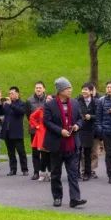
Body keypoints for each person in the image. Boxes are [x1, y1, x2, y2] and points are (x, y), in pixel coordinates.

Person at [43, 77, 87, 209]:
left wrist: (77, 126)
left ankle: (74, 198)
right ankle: (57, 197)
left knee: (73, 173)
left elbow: (80, 118)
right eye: (68, 88)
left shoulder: (74, 103)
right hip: (57, 144)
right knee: (56, 173)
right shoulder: (50, 105)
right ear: (60, 90)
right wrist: (60, 131)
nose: (70, 90)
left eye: (70, 88)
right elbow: (47, 122)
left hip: (72, 144)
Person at [1, 86, 29, 176]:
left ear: (17, 94)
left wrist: (11, 105)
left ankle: (24, 169)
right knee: (10, 152)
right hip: (7, 131)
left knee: (21, 151)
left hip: (17, 132)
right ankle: (13, 169)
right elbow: (1, 112)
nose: (10, 95)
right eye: (9, 93)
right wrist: (0, 104)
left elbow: (20, 112)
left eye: (12, 93)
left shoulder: (22, 103)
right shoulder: (7, 104)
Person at [76, 82, 99, 180]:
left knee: (88, 152)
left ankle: (87, 173)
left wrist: (91, 116)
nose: (83, 91)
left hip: (90, 130)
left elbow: (100, 116)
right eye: (83, 89)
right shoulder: (77, 101)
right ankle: (76, 173)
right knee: (77, 152)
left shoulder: (96, 102)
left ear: (91, 91)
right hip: (79, 130)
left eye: (86, 89)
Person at [26, 82, 47, 180]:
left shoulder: (48, 100)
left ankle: (45, 172)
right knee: (35, 152)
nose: (38, 89)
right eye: (36, 88)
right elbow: (28, 115)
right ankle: (36, 172)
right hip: (34, 131)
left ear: (44, 89)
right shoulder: (29, 100)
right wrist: (36, 125)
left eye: (40, 88)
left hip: (45, 131)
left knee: (45, 152)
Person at [29, 101, 50, 181]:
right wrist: (37, 126)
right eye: (47, 99)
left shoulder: (56, 109)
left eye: (50, 99)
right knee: (44, 155)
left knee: (51, 156)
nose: (48, 101)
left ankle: (51, 173)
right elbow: (31, 117)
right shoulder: (41, 110)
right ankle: (42, 173)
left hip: (52, 133)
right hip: (42, 134)